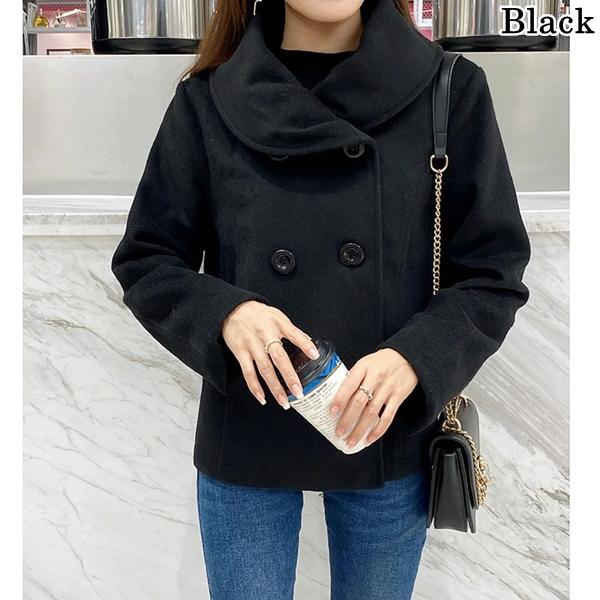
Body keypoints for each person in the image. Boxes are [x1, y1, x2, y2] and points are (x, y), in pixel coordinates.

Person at [111, 0, 531, 598]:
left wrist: (415, 358)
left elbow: (493, 271)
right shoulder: (209, 98)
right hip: (250, 425)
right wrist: (226, 313)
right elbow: (147, 258)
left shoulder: (447, 88)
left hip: (383, 426)